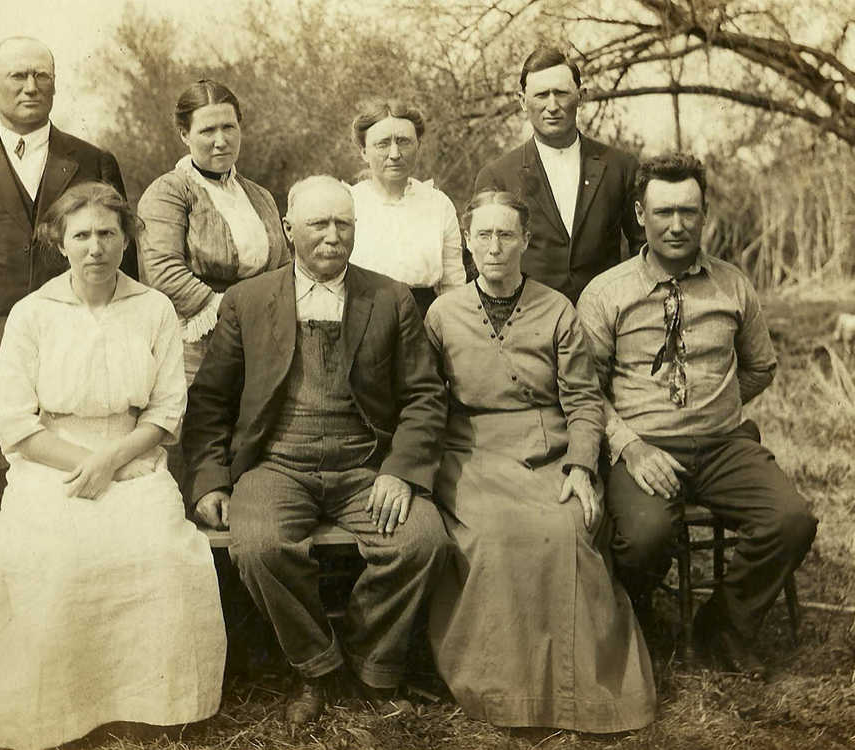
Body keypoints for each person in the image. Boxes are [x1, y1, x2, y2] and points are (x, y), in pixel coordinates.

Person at [0, 35, 135, 713]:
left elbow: (126, 263)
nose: (31, 86)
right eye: (17, 76)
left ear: (56, 84)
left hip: (82, 361)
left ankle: (82, 645)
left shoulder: (91, 161)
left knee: (83, 493)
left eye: (43, 75)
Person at [183, 175, 452, 725]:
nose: (332, 237)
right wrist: (211, 480)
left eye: (343, 224)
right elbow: (210, 399)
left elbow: (425, 395)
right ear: (288, 231)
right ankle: (316, 668)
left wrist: (400, 471)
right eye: (318, 224)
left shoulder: (389, 296)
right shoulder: (248, 300)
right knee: (259, 546)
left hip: (365, 466)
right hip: (277, 463)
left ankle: (371, 665)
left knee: (422, 541)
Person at [0, 182, 226, 750]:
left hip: (134, 456)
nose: (95, 248)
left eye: (107, 234)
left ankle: (148, 704)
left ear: (127, 238)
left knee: (161, 551)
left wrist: (114, 460)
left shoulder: (154, 308)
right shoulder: (33, 313)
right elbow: (16, 424)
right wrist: (87, 464)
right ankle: (59, 711)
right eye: (81, 235)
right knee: (59, 556)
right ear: (59, 243)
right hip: (49, 463)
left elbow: (165, 411)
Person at [577, 153, 818, 679]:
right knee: (642, 539)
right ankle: (639, 620)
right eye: (663, 212)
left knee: (791, 521)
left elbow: (762, 366)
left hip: (723, 444)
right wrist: (631, 445)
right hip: (641, 447)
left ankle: (724, 626)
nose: (677, 225)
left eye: (689, 211)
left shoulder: (733, 285)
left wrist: (717, 407)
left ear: (705, 214)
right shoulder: (606, 293)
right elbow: (584, 390)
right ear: (641, 215)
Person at [425, 190, 655, 732]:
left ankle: (585, 694)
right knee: (496, 536)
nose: (495, 246)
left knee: (569, 529)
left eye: (507, 235)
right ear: (466, 241)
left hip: (549, 450)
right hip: (471, 451)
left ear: (526, 241)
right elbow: (427, 401)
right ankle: (505, 693)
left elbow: (582, 401)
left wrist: (580, 466)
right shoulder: (442, 313)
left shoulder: (557, 309)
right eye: (484, 234)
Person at [138, 78, 290, 492]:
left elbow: (283, 268)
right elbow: (163, 270)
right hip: (192, 341)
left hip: (257, 337)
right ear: (184, 134)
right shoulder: (169, 193)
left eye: (229, 128)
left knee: (252, 435)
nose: (221, 141)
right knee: (197, 438)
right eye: (207, 130)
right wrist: (231, 311)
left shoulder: (259, 196)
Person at [474, 47, 642, 304]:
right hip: (527, 323)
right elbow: (483, 263)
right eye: (541, 95)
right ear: (522, 101)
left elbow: (643, 251)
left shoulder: (620, 167)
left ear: (581, 96)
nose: (552, 106)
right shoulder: (498, 176)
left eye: (561, 93)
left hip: (606, 320)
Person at [348, 98, 466, 314]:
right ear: (363, 152)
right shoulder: (347, 203)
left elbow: (453, 285)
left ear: (418, 146)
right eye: (383, 144)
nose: (394, 154)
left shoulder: (438, 204)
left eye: (403, 141)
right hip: (360, 318)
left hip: (424, 319)